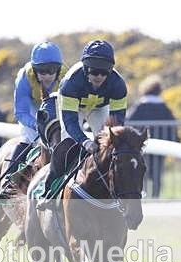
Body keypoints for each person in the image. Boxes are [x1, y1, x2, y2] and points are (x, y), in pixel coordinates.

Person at [36, 40, 128, 209]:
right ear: (86, 69)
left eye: (104, 72)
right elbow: (70, 123)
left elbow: (117, 123)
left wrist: (105, 139)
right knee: (67, 145)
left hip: (100, 108)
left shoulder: (118, 85)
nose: (99, 76)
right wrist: (84, 141)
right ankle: (48, 190)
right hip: (74, 109)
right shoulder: (71, 83)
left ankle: (118, 192)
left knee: (110, 146)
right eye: (94, 71)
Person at [0, 42, 67, 201]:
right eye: (42, 71)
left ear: (59, 69)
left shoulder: (66, 77)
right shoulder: (24, 78)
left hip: (57, 105)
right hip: (33, 108)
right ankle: (9, 182)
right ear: (34, 70)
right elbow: (20, 112)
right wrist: (37, 125)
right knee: (29, 139)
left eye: (52, 70)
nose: (48, 75)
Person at [126, 75, 178, 197]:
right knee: (157, 173)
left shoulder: (140, 106)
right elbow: (172, 126)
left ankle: (143, 195)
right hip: (162, 145)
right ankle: (156, 196)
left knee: (141, 170)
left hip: (141, 145)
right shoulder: (164, 107)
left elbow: (128, 121)